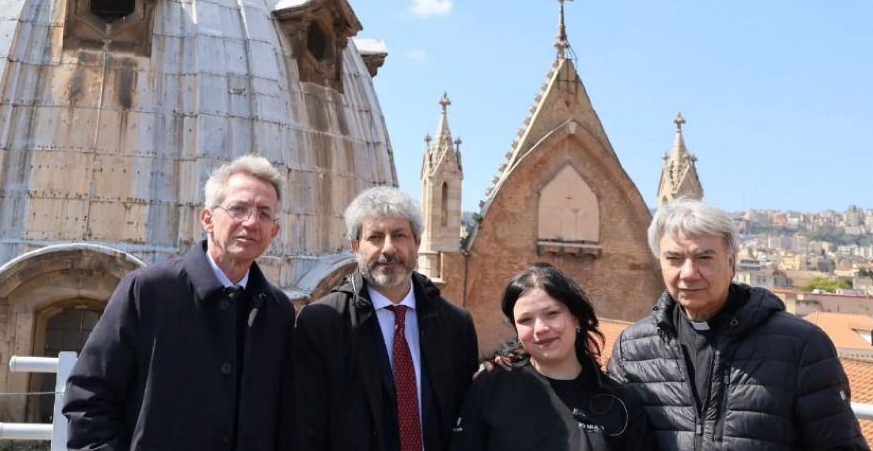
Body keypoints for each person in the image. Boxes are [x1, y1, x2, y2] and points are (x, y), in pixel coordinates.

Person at [63, 154, 295, 451]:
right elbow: (88, 397)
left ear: (273, 232)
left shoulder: (278, 311)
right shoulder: (147, 291)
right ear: (208, 219)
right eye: (239, 208)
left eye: (264, 214)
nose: (251, 222)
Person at [608, 196, 870, 450]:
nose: (688, 273)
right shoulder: (632, 349)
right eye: (674, 259)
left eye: (704, 258)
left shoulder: (800, 346)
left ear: (731, 262)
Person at [289, 185, 479, 451]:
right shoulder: (322, 324)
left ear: (417, 243)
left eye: (399, 235)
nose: (388, 248)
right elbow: (305, 428)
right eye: (375, 237)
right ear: (355, 247)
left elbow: (469, 419)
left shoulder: (456, 325)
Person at [451, 263, 653, 451]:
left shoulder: (619, 403)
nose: (540, 329)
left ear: (575, 316)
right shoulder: (490, 387)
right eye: (525, 320)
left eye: (552, 313)